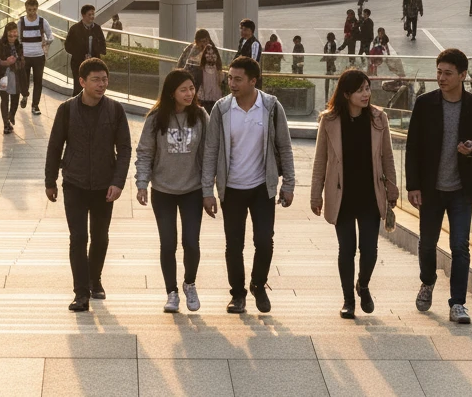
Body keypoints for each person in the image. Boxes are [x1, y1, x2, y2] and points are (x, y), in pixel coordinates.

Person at [406, 49, 472, 324]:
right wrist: (413, 185)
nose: (441, 78)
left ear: (463, 75)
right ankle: (428, 282)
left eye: (447, 73)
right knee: (427, 244)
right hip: (431, 189)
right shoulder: (425, 103)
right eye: (439, 72)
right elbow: (413, 147)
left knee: (460, 246)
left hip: (461, 189)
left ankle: (457, 303)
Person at [202, 56, 295, 314]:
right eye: (229, 78)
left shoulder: (271, 107)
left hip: (261, 187)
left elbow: (284, 147)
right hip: (231, 189)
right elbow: (211, 151)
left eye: (238, 79)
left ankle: (258, 284)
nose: (231, 83)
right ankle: (238, 294)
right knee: (234, 245)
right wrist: (207, 191)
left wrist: (289, 184)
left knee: (264, 241)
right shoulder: (221, 109)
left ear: (253, 81)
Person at [310, 69, 398, 318]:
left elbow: (387, 156)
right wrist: (316, 195)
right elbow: (320, 160)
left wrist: (392, 187)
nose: (366, 94)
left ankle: (364, 285)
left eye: (368, 88)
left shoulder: (379, 119)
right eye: (360, 90)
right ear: (346, 94)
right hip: (342, 195)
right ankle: (348, 298)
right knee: (346, 249)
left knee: (370, 249)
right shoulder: (329, 120)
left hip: (371, 194)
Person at [45, 57, 131, 312]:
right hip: (75, 182)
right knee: (78, 237)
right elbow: (54, 146)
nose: (102, 84)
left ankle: (95, 279)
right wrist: (50, 181)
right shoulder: (67, 110)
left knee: (100, 237)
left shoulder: (115, 110)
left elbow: (124, 149)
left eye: (105, 79)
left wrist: (118, 182)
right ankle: (81, 292)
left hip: (105, 185)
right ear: (82, 81)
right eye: (96, 80)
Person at [135, 69, 208, 313]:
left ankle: (189, 283)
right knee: (168, 243)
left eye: (191, 88)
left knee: (191, 242)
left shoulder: (200, 116)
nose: (189, 93)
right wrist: (142, 183)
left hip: (192, 190)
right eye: (183, 89)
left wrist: (208, 191)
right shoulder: (156, 118)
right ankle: (172, 292)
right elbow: (145, 151)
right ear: (171, 92)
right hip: (163, 190)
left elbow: (208, 154)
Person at [18, 0, 53, 115]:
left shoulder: (42, 21)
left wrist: (47, 41)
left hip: (39, 56)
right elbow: (17, 38)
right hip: (25, 57)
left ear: (37, 9)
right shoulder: (21, 22)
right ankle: (25, 96)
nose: (32, 12)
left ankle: (35, 105)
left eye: (34, 10)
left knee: (38, 81)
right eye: (29, 10)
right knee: (25, 80)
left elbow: (50, 35)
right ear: (26, 9)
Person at [64, 5, 106, 95]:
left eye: (93, 14)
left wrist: (94, 54)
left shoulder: (97, 29)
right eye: (89, 14)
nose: (92, 17)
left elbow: (102, 45)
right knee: (79, 87)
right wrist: (82, 55)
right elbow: (68, 46)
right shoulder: (75, 29)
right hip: (78, 63)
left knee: (94, 86)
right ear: (83, 15)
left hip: (94, 63)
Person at [0, 22, 24, 134]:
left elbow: (23, 61)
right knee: (4, 99)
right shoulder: (1, 43)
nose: (12, 38)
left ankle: (11, 116)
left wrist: (16, 62)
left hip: (16, 76)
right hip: (3, 76)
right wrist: (5, 62)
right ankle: (6, 123)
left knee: (15, 98)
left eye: (15, 35)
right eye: (10, 35)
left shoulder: (19, 44)